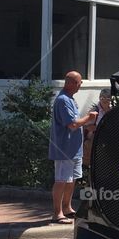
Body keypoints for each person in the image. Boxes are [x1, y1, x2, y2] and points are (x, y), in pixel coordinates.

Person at [48, 72, 96, 224]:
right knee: (61, 180)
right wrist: (89, 118)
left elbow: (75, 122)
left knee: (72, 179)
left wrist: (89, 124)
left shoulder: (70, 99)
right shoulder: (63, 100)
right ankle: (57, 214)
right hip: (64, 149)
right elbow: (73, 124)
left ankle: (67, 208)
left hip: (74, 150)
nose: (81, 85)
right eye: (79, 82)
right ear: (70, 83)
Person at [82, 88, 112, 169]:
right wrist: (100, 127)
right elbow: (86, 127)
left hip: (106, 143)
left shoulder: (112, 111)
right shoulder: (95, 111)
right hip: (93, 143)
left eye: (107, 98)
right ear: (99, 98)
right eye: (102, 97)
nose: (105, 100)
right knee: (94, 167)